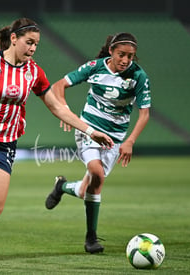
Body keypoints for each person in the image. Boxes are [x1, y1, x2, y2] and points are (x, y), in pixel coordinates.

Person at [0, 17, 113, 265]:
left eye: (36, 44)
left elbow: (56, 107)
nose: (33, 48)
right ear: (14, 39)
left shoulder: (34, 72)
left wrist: (91, 131)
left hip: (5, 144)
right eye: (29, 42)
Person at [45, 32, 151, 254]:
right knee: (97, 173)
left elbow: (144, 114)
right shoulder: (94, 66)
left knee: (87, 190)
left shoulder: (139, 76)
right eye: (121, 54)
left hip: (115, 138)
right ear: (111, 52)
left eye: (130, 56)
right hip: (89, 129)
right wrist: (65, 112)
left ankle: (61, 186)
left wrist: (130, 141)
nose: (125, 60)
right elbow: (58, 86)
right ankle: (91, 238)